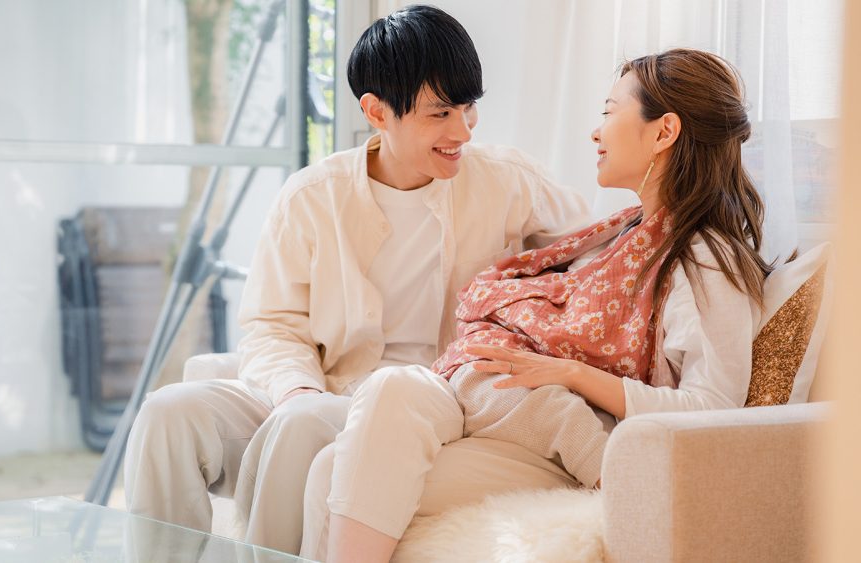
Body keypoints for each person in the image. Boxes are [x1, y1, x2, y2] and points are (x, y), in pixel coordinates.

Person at [121, 4, 590, 556]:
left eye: (469, 108)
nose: (461, 130)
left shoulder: (509, 182)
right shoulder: (312, 196)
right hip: (323, 383)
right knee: (168, 414)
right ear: (375, 111)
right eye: (439, 114)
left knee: (304, 423)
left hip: (427, 398)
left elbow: (597, 256)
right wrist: (296, 387)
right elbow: (272, 324)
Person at [315, 47, 773, 563]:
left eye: (608, 112)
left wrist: (571, 375)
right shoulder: (621, 233)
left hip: (570, 440)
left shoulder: (704, 257)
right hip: (490, 398)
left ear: (664, 132)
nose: (596, 132)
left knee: (331, 474)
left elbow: (713, 411)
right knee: (389, 388)